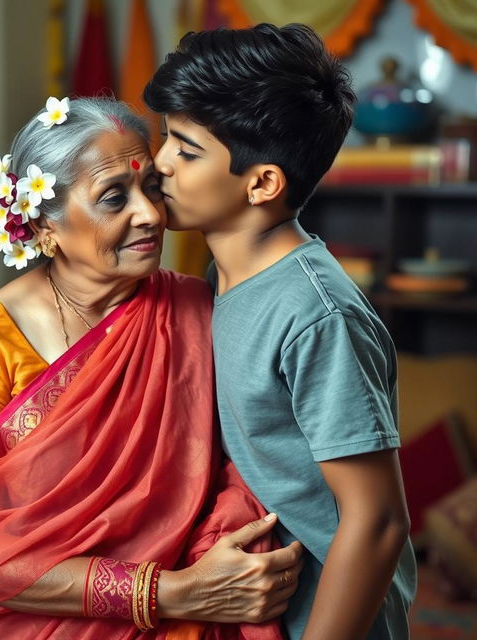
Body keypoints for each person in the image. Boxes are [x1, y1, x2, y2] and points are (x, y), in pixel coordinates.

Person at [0, 96, 303, 639]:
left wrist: (219, 552)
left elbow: (244, 459)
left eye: (150, 189)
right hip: (37, 621)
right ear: (44, 225)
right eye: (113, 197)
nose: (149, 214)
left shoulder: (191, 307)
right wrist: (170, 594)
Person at [144, 22, 417, 640]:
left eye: (187, 151)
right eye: (167, 137)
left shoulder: (314, 313)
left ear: (262, 182)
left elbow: (376, 521)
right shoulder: (225, 278)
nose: (160, 163)